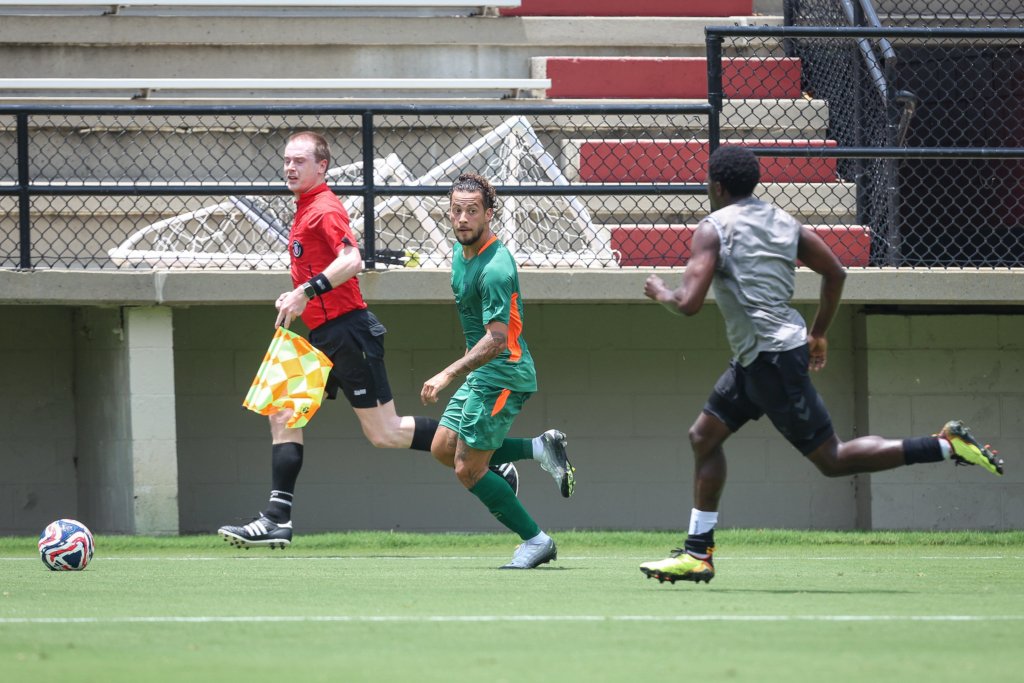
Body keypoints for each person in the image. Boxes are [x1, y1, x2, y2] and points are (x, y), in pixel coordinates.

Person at [638, 145, 1005, 585]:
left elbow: (689, 302)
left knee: (832, 460)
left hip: (770, 360)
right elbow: (835, 273)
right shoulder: (784, 222)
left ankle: (945, 445)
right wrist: (819, 332)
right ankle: (697, 554)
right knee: (704, 436)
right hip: (756, 358)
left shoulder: (712, 229)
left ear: (716, 186)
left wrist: (659, 290)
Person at [218, 132, 566, 548]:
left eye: (300, 161)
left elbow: (351, 260)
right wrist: (300, 294)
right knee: (283, 411)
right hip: (321, 333)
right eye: (287, 160)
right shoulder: (304, 208)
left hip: (349, 331)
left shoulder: (324, 208)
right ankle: (277, 518)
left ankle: (496, 458)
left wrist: (305, 292)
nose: (290, 167)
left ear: (322, 166)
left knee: (384, 433)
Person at [420, 172, 576, 569]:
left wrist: (447, 374)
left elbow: (495, 340)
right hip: (482, 374)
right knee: (442, 448)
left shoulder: (495, 269)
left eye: (472, 211)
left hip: (504, 374)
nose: (462, 219)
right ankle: (538, 449)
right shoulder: (460, 254)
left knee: (467, 469)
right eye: (456, 210)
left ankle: (536, 541)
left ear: (489, 214)